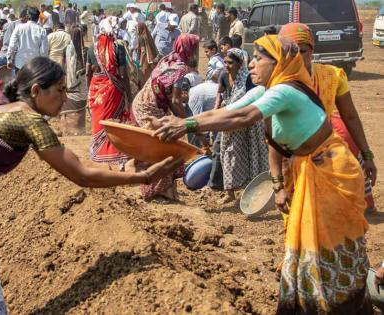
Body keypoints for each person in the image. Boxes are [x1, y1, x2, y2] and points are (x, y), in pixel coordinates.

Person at [153, 34, 372, 314]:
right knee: (308, 242)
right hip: (309, 168)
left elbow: (244, 119)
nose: (252, 65)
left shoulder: (285, 91)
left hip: (330, 169)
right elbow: (229, 110)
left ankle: (344, 304)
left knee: (331, 243)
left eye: (258, 59)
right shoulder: (267, 90)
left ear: (278, 62)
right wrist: (183, 122)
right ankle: (312, 302)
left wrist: (187, 125)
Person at [0, 56, 181, 314]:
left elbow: (81, 165)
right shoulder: (30, 121)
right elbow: (82, 175)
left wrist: (123, 169)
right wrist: (143, 178)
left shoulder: (5, 109)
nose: (65, 99)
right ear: (36, 90)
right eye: (60, 90)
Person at [279, 22, 377, 212]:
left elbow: (350, 116)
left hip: (328, 156)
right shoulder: (276, 84)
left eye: (303, 50)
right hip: (292, 160)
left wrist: (367, 154)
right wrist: (276, 183)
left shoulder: (332, 77)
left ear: (312, 50)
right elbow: (270, 135)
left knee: (334, 219)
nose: (297, 57)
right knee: (299, 220)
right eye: (290, 52)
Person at [132, 33, 199, 201]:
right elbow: (175, 101)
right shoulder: (180, 68)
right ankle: (156, 191)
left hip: (145, 102)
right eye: (195, 48)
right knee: (163, 148)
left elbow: (169, 95)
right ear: (190, 49)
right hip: (150, 108)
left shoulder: (168, 59)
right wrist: (190, 123)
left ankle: (168, 189)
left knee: (168, 145)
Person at [216, 48, 268, 202]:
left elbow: (253, 101)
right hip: (229, 121)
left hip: (247, 123)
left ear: (240, 64)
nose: (227, 65)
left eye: (230, 63)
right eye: (225, 62)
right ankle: (230, 192)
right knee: (228, 154)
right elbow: (221, 94)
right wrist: (217, 111)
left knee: (248, 155)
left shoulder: (248, 79)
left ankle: (249, 192)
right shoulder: (224, 76)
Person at [89, 17, 133, 165]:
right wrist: (128, 93)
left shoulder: (92, 48)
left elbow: (89, 71)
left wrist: (91, 90)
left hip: (96, 88)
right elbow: (122, 73)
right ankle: (117, 152)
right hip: (114, 89)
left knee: (98, 120)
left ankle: (99, 152)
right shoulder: (118, 47)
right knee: (116, 119)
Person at [60, 24, 87, 136]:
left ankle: (65, 129)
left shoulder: (66, 49)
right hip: (80, 85)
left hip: (68, 83)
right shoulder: (85, 51)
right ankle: (78, 129)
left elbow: (62, 65)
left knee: (67, 105)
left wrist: (64, 80)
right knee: (80, 103)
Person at [7, 7, 48, 73]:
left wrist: (9, 59)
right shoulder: (42, 30)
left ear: (28, 16)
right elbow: (43, 51)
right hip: (35, 66)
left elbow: (12, 45)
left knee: (20, 83)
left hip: (20, 65)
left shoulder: (18, 28)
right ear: (38, 18)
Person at [138, 22, 158, 87]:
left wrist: (140, 63)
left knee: (145, 78)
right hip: (152, 59)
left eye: (137, 28)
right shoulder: (148, 36)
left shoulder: (141, 38)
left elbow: (143, 51)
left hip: (146, 60)